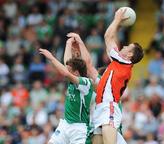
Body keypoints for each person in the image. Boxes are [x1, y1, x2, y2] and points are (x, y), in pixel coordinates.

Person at [93, 9, 144, 144]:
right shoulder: (119, 62)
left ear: (130, 55)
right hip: (100, 107)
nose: (125, 46)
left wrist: (117, 19)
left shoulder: (124, 63)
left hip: (108, 106)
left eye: (128, 47)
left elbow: (108, 37)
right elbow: (109, 39)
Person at [67, 32, 126, 144]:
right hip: (102, 127)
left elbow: (88, 66)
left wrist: (80, 42)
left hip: (106, 127)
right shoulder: (111, 88)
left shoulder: (105, 86)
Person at [39, 37, 95, 144]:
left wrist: (51, 58)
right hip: (65, 124)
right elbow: (66, 65)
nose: (66, 70)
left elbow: (65, 72)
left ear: (77, 73)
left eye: (70, 70)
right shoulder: (72, 79)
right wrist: (68, 42)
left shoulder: (86, 83)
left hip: (79, 128)